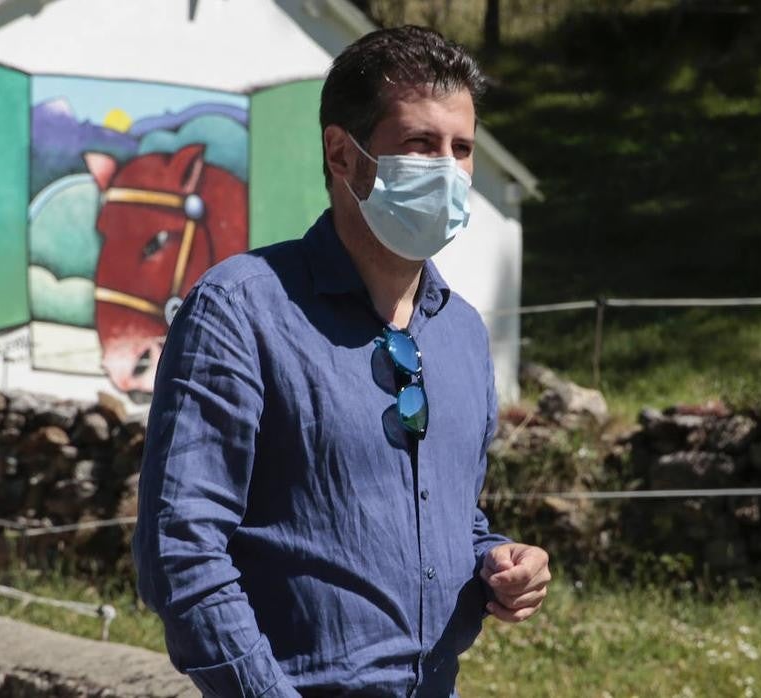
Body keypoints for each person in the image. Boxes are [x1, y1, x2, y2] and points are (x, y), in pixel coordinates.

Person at [132, 25, 551, 697]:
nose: (447, 169)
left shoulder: (465, 334)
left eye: (462, 148)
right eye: (420, 143)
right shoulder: (241, 310)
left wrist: (495, 563)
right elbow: (180, 553)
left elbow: (444, 518)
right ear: (341, 154)